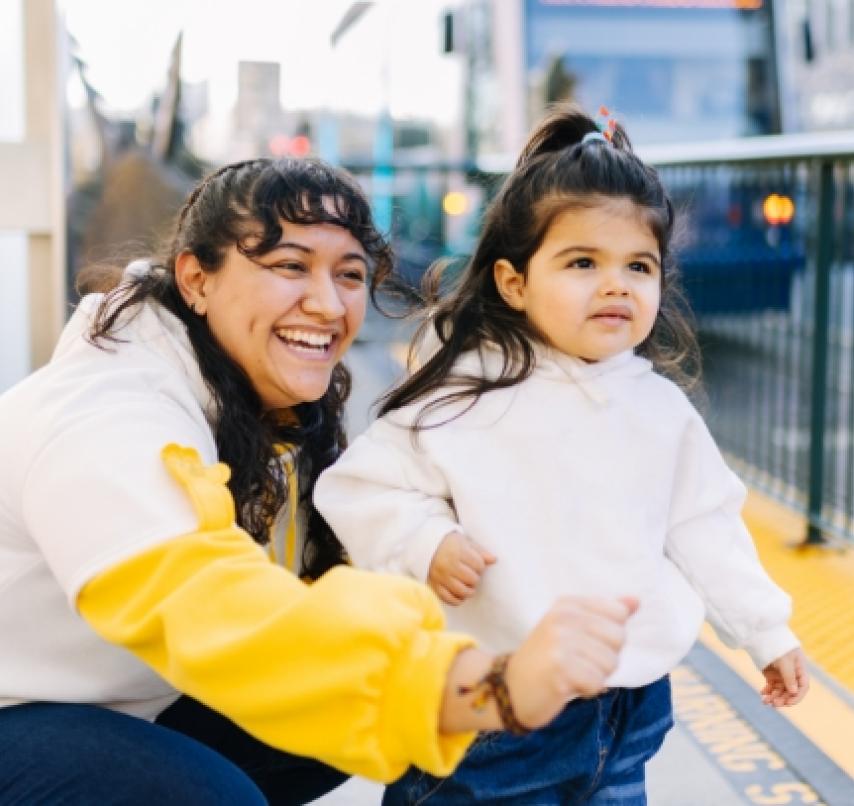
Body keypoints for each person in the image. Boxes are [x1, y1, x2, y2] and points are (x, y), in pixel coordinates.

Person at [0, 157, 638, 805]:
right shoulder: (110, 417)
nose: (328, 304)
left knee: (377, 714)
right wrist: (485, 685)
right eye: (289, 266)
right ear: (196, 278)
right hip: (16, 711)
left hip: (112, 699)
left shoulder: (249, 399)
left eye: (350, 274)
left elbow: (320, 596)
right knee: (212, 796)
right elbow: (207, 605)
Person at [314, 106, 810, 805]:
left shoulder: (660, 410)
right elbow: (359, 491)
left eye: (638, 266)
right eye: (583, 262)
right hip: (494, 714)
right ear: (515, 283)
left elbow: (706, 525)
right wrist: (425, 540)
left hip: (628, 711)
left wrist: (765, 631)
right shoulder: (469, 395)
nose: (616, 284)